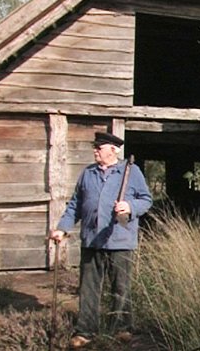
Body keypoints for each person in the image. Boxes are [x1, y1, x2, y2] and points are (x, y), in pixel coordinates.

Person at [49, 132, 152, 349]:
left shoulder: (131, 172)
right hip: (92, 240)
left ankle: (122, 328)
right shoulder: (88, 173)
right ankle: (85, 331)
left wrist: (130, 207)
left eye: (99, 147)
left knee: (120, 287)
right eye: (95, 147)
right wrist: (62, 228)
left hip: (120, 240)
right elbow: (75, 205)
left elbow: (146, 199)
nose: (95, 150)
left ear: (113, 150)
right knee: (88, 288)